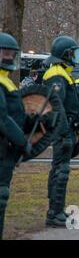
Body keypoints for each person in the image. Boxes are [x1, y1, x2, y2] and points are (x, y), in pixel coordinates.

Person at [42, 36, 79, 227]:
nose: (76, 56)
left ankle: (57, 210)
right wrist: (65, 133)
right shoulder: (56, 74)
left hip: (65, 129)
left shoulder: (62, 72)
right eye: (74, 52)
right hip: (61, 131)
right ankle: (54, 213)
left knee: (60, 169)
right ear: (66, 54)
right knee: (60, 170)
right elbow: (57, 107)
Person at [0, 33, 32, 240]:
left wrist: (34, 119)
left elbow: (14, 113)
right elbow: (3, 118)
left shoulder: (5, 80)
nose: (10, 57)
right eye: (6, 52)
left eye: (12, 54)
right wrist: (23, 142)